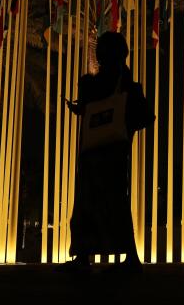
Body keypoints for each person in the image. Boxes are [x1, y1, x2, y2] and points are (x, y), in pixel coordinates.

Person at [65, 32, 155, 274]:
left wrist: (79, 108)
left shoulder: (90, 84)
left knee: (87, 201)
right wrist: (126, 128)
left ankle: (84, 255)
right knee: (117, 201)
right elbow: (147, 117)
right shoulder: (129, 85)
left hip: (92, 153)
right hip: (116, 154)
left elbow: (86, 109)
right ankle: (130, 255)